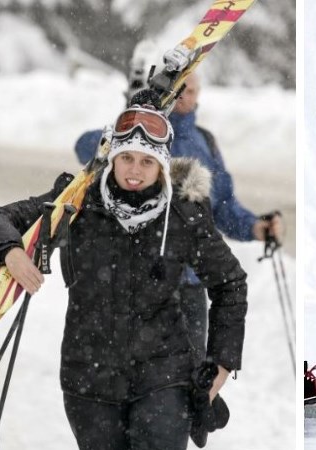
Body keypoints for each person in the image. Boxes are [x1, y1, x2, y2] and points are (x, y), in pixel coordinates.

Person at [0, 105, 248, 449]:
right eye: (127, 159)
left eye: (147, 162)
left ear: (162, 166)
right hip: (88, 380)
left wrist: (223, 362)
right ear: (113, 158)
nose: (135, 171)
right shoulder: (75, 203)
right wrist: (11, 252)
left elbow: (231, 283)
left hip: (164, 376)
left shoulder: (182, 214)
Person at [75, 71, 281, 357]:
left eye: (193, 91)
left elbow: (222, 206)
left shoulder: (205, 141)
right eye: (180, 90)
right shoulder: (142, 134)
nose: (186, 96)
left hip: (191, 284)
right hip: (143, 278)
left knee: (191, 371)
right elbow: (86, 146)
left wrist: (256, 227)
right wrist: (137, 114)